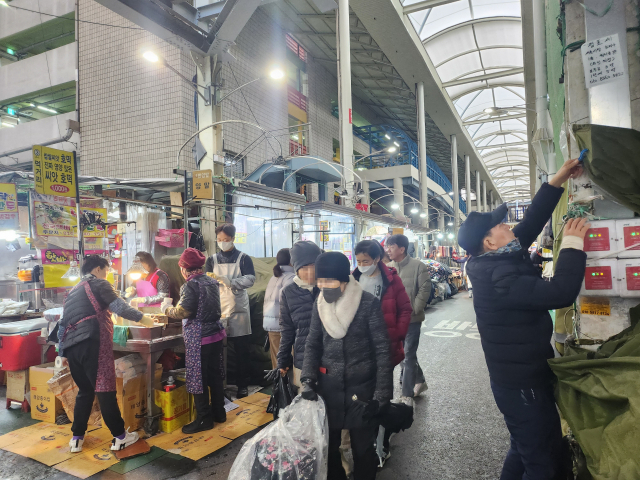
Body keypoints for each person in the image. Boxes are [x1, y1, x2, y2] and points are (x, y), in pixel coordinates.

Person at [459, 158, 587, 480]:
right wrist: (572, 245)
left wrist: (557, 180)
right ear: (489, 242)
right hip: (522, 387)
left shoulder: (498, 256)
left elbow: (531, 221)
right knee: (541, 461)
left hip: (521, 379)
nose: (508, 227)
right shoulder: (501, 277)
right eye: (500, 226)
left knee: (525, 446)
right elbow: (560, 293)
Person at [301, 252, 393, 480]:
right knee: (329, 449)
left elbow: (382, 350)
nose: (323, 287)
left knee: (362, 450)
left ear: (343, 280)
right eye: (320, 282)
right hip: (328, 389)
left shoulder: (368, 303)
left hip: (362, 391)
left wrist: (382, 395)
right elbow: (312, 343)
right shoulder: (319, 303)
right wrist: (307, 380)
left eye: (328, 281)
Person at [59, 255, 155, 453]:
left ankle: (76, 438)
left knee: (85, 392)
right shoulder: (99, 284)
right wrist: (145, 319)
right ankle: (120, 437)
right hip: (92, 342)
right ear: (97, 269)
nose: (107, 274)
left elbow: (62, 325)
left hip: (71, 347)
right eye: (106, 270)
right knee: (105, 391)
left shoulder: (73, 291)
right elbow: (119, 307)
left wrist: (62, 352)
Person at [353, 239, 412, 467]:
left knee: (381, 398)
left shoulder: (390, 279)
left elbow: (405, 309)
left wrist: (397, 334)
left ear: (377, 259)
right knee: (363, 398)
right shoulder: (353, 278)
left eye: (365, 261)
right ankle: (367, 443)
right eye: (358, 261)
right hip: (360, 350)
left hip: (386, 348)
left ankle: (381, 446)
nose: (361, 265)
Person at [163, 248, 226, 433]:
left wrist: (166, 309)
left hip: (199, 339)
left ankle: (204, 419)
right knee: (214, 377)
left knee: (198, 379)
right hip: (215, 335)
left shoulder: (190, 285)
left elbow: (183, 311)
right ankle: (219, 413)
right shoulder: (211, 282)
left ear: (184, 268)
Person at [205, 223, 255, 398]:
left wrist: (230, 281)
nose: (222, 242)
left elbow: (251, 279)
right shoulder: (211, 260)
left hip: (239, 309)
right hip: (218, 309)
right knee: (219, 351)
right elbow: (206, 280)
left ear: (233, 239)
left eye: (226, 240)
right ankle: (221, 385)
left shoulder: (243, 258)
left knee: (242, 351)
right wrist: (216, 282)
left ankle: (243, 385)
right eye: (219, 240)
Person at [386, 234, 432, 403]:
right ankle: (420, 380)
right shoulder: (387, 267)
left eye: (391, 246)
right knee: (401, 355)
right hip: (394, 320)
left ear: (402, 249)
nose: (387, 250)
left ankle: (406, 395)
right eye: (387, 246)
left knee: (408, 354)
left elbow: (425, 289)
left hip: (412, 320)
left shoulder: (418, 266)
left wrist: (414, 309)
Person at [277, 241, 322, 388]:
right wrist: (283, 360)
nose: (310, 273)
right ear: (295, 268)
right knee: (306, 404)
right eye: (304, 268)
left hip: (329, 358)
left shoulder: (328, 287)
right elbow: (287, 329)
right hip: (303, 360)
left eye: (313, 267)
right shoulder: (288, 292)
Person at [263, 248, 295, 369]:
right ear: (292, 261)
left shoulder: (274, 277)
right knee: (287, 365)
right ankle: (286, 387)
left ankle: (278, 387)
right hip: (284, 327)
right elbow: (289, 303)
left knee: (277, 364)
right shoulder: (291, 278)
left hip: (271, 325)